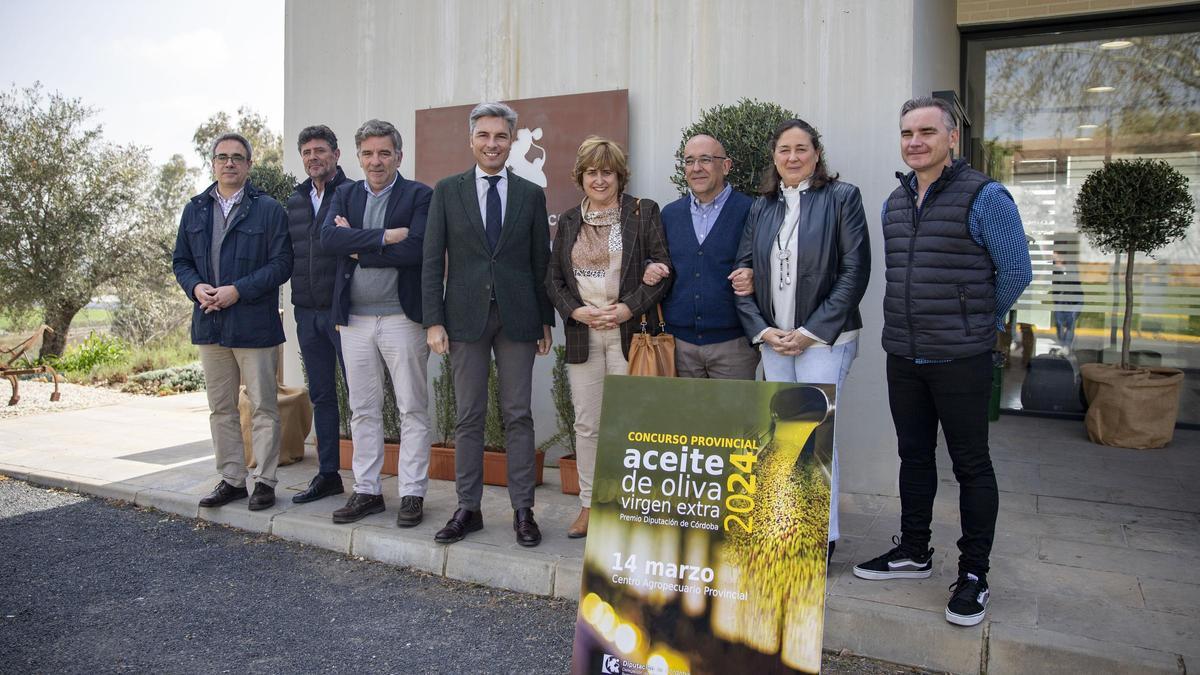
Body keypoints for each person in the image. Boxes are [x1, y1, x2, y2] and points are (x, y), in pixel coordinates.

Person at [852, 97, 1032, 628]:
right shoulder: (894, 201)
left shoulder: (985, 196)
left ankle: (974, 574)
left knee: (971, 465)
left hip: (961, 356)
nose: (915, 142)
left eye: (927, 132)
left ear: (951, 138)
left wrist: (976, 322)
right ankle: (913, 550)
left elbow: (1016, 271)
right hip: (904, 352)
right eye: (907, 132)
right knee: (914, 457)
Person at [735, 119, 870, 561]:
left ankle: (819, 540)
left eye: (801, 149)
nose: (793, 157)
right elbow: (742, 276)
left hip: (825, 340)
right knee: (782, 438)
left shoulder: (843, 198)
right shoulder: (762, 207)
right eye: (784, 150)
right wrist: (763, 329)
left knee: (816, 435)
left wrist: (810, 332)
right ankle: (784, 527)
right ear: (773, 157)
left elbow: (855, 272)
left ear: (816, 153)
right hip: (774, 339)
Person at [421, 102, 555, 547]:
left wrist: (544, 320)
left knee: (518, 414)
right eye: (484, 135)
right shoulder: (447, 190)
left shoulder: (530, 193)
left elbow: (541, 263)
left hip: (518, 318)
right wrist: (433, 321)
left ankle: (523, 511)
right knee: (468, 417)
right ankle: (468, 508)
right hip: (463, 318)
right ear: (471, 140)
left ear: (512, 141)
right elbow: (431, 260)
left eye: (501, 136)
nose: (492, 143)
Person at [546, 137, 672, 538]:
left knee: (635, 422)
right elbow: (554, 280)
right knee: (587, 425)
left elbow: (663, 266)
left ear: (620, 175)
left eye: (607, 172)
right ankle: (589, 505)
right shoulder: (568, 221)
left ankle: (632, 507)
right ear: (580, 177)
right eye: (592, 172)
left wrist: (627, 308)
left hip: (628, 333)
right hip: (585, 334)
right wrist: (575, 310)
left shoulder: (641, 211)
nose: (600, 180)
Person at [318, 119, 432, 527]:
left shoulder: (420, 195)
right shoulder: (344, 194)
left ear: (398, 156)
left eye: (384, 153)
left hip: (403, 318)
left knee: (412, 408)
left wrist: (358, 245)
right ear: (358, 157)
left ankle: (412, 493)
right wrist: (385, 237)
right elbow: (329, 241)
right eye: (368, 153)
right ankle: (366, 490)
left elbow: (417, 249)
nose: (376, 160)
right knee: (363, 408)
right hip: (354, 320)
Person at [172, 133, 293, 511]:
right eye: (222, 157)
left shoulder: (269, 209)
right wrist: (196, 288)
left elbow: (281, 265)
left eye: (237, 158)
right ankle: (231, 479)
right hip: (210, 324)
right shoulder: (195, 209)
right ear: (212, 163)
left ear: (249, 165)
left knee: (263, 407)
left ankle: (266, 482)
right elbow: (181, 262)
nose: (229, 163)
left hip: (253, 326)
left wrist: (237, 290)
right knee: (221, 408)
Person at [641, 134, 757, 380]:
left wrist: (756, 276)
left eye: (705, 159)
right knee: (686, 419)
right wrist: (650, 266)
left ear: (725, 165)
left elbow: (767, 263)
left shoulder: (751, 211)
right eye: (689, 161)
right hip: (679, 345)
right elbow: (656, 257)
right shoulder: (670, 214)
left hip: (734, 345)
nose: (696, 168)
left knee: (734, 419)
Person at [285, 124, 351, 504]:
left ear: (336, 155)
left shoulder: (352, 194)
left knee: (360, 397)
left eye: (321, 150)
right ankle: (328, 474)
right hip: (306, 313)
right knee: (323, 396)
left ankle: (369, 484)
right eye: (307, 152)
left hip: (344, 313)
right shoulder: (295, 201)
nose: (314, 157)